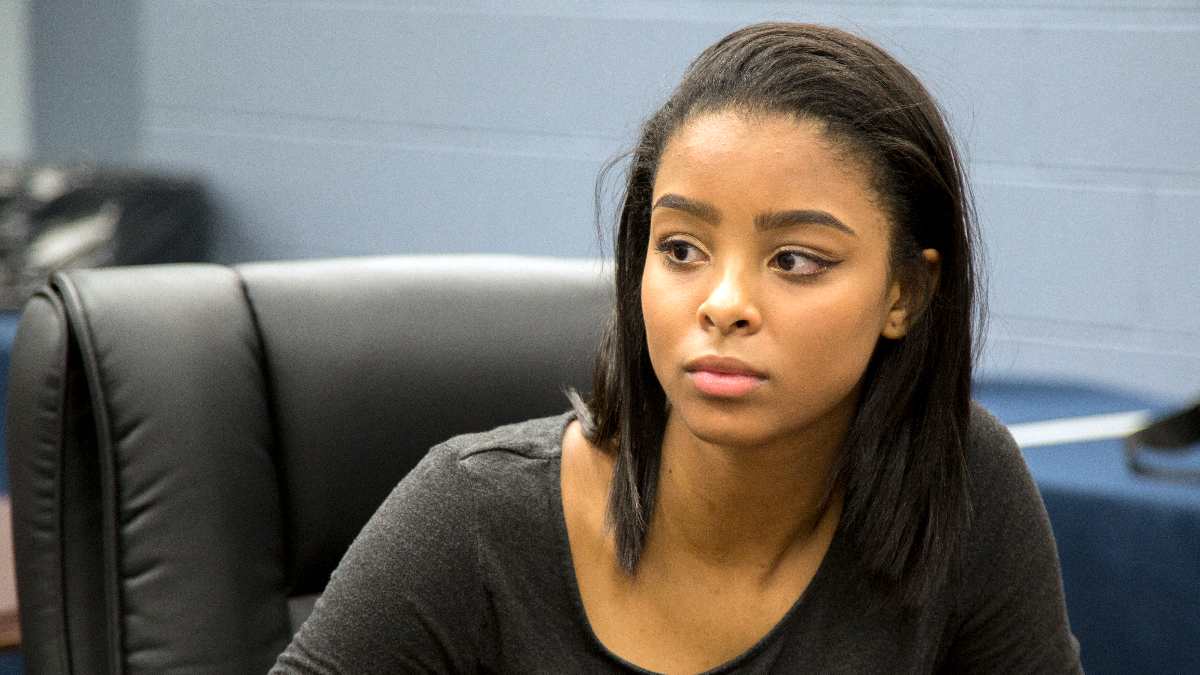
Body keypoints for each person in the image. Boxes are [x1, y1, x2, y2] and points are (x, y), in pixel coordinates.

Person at [272, 23, 1083, 674]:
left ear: (904, 292)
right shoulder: (470, 521)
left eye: (794, 260)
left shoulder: (964, 484)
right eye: (683, 250)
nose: (724, 304)